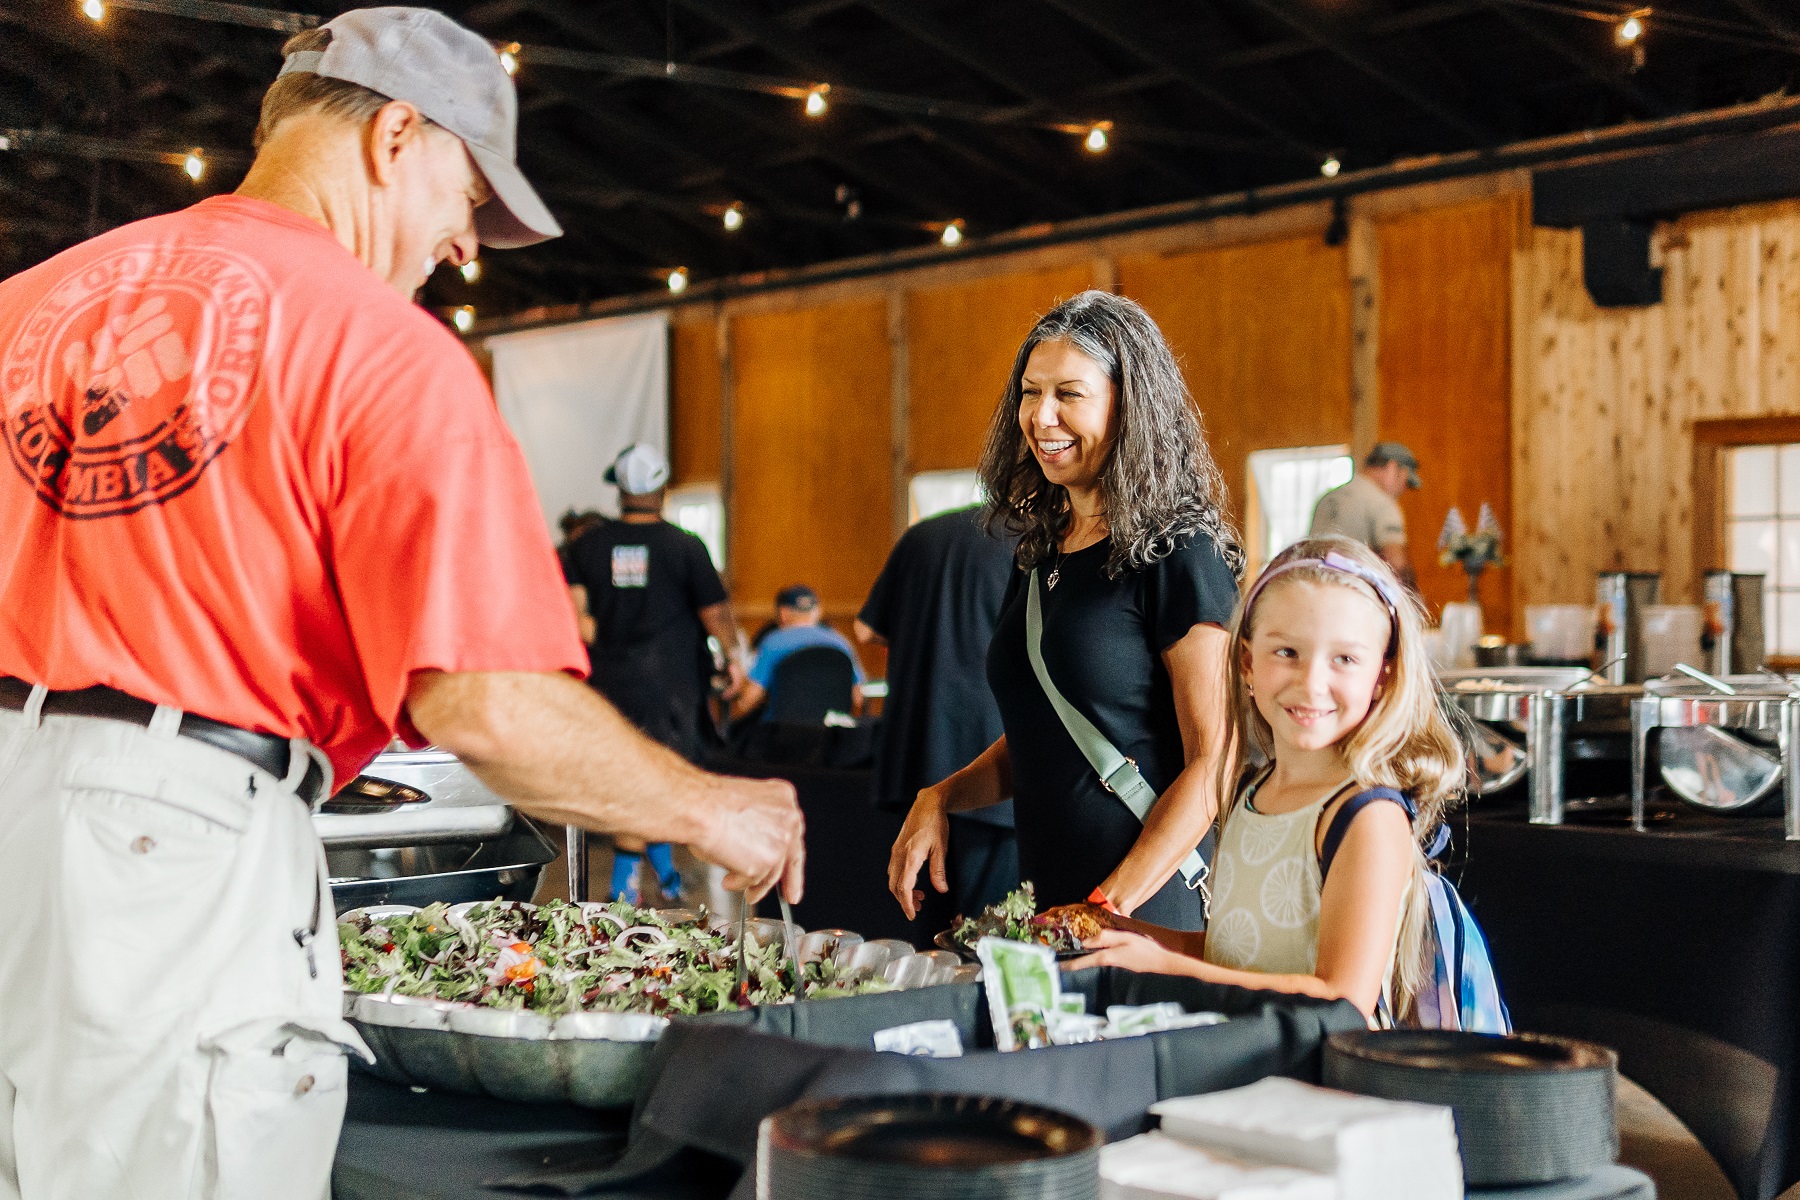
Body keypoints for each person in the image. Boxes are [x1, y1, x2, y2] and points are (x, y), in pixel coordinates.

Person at [0, 12, 802, 1199]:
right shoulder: (380, 346)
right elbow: (484, 703)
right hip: (175, 849)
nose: (467, 249)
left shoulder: (30, 302)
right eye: (469, 198)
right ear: (396, 136)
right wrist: (709, 808)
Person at [888, 290, 1244, 931]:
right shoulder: (1039, 550)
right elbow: (1040, 735)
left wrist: (1110, 904)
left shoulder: (1180, 553)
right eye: (1030, 392)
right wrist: (940, 796)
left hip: (1147, 909)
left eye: (1069, 394)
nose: (1041, 416)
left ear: (1128, 406)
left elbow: (1214, 760)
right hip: (1056, 908)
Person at [1064, 538, 1465, 1023]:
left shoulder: (1367, 818)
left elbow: (1341, 998)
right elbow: (1231, 959)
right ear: (1248, 664)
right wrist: (1122, 933)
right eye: (1287, 652)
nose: (1311, 682)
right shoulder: (1248, 793)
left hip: (1317, 1087)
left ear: (1383, 675)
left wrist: (1165, 967)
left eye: (1344, 659)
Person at [563, 443, 750, 903]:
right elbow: (716, 615)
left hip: (609, 687)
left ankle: (662, 882)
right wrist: (734, 659)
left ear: (619, 489)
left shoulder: (584, 546)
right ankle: (624, 894)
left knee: (631, 781)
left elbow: (577, 623)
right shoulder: (685, 547)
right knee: (655, 783)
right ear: (662, 488)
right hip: (673, 687)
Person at [855, 506, 1019, 918]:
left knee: (921, 921)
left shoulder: (922, 536)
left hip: (917, 749)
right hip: (994, 760)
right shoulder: (1037, 541)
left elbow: (865, 629)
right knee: (991, 933)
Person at [732, 584, 865, 721]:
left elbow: (749, 699)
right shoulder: (841, 642)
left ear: (783, 613)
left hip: (781, 733)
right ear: (817, 611)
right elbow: (858, 698)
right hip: (831, 734)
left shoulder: (773, 642)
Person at [1309, 441, 1421, 591]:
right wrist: (1412, 602)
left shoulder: (1328, 499)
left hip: (1314, 591)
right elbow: (1397, 564)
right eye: (1405, 481)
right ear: (1392, 467)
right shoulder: (1382, 503)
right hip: (1354, 595)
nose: (1403, 489)